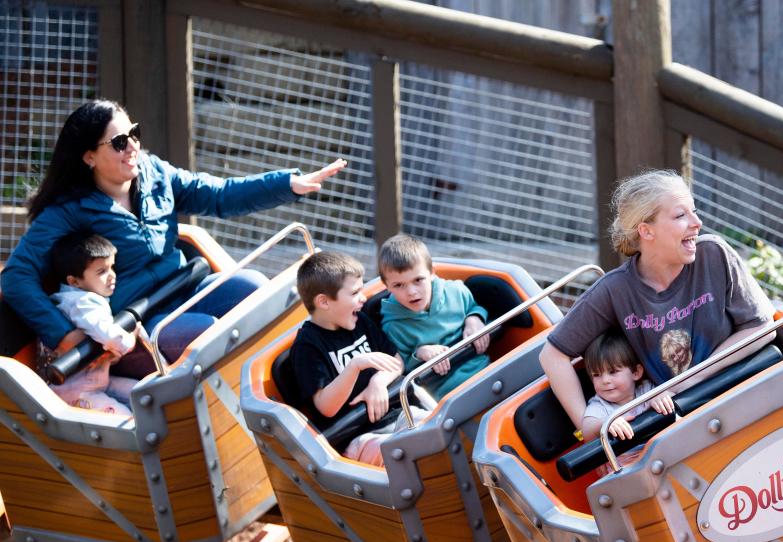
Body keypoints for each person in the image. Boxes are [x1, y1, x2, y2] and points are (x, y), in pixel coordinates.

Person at [1, 99, 347, 377]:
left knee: (254, 287)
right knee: (206, 334)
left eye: (134, 134)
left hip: (185, 286)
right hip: (134, 322)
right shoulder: (69, 210)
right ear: (89, 157)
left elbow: (218, 195)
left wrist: (288, 184)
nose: (132, 147)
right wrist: (63, 334)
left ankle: (312, 381)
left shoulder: (154, 173)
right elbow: (17, 276)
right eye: (119, 142)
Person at [540, 169, 775, 440]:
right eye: (680, 215)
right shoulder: (616, 290)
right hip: (684, 427)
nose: (697, 222)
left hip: (744, 395)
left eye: (694, 211)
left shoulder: (715, 255)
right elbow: (552, 355)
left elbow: (762, 327)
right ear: (646, 231)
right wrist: (592, 427)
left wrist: (688, 381)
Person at [290, 251, 425, 466]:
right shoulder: (307, 346)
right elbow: (326, 406)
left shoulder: (359, 320)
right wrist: (354, 366)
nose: (363, 298)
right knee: (402, 455)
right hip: (357, 437)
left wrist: (377, 383)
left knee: (433, 428)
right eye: (354, 293)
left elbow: (396, 361)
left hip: (397, 416)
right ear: (324, 302)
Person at [378, 233, 490, 399]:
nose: (411, 292)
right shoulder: (393, 326)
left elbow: (474, 307)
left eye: (418, 280)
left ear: (431, 273)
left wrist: (474, 318)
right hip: (444, 393)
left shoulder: (456, 291)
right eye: (399, 285)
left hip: (483, 371)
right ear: (387, 286)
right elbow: (403, 366)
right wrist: (420, 352)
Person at [44, 232, 140, 415]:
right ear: (75, 281)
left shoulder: (79, 297)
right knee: (123, 417)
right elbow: (108, 335)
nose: (112, 276)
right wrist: (129, 340)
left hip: (96, 379)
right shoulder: (82, 303)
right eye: (101, 272)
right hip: (74, 391)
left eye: (112, 267)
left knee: (142, 392)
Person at [580, 331, 673, 475]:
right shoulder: (599, 405)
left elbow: (672, 396)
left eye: (612, 371)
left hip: (664, 456)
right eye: (596, 375)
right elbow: (587, 428)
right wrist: (606, 423)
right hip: (627, 471)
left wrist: (661, 396)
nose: (605, 380)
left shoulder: (647, 390)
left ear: (636, 372)